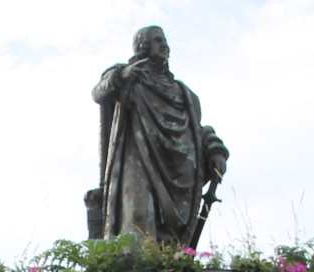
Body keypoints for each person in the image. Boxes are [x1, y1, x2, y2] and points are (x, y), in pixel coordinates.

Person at [92, 26, 228, 245]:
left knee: (170, 241)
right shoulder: (128, 77)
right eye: (157, 40)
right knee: (136, 219)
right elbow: (99, 92)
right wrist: (121, 76)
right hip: (137, 156)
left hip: (178, 169)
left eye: (164, 41)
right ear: (142, 46)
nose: (164, 46)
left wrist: (215, 150)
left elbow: (197, 131)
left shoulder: (185, 94)